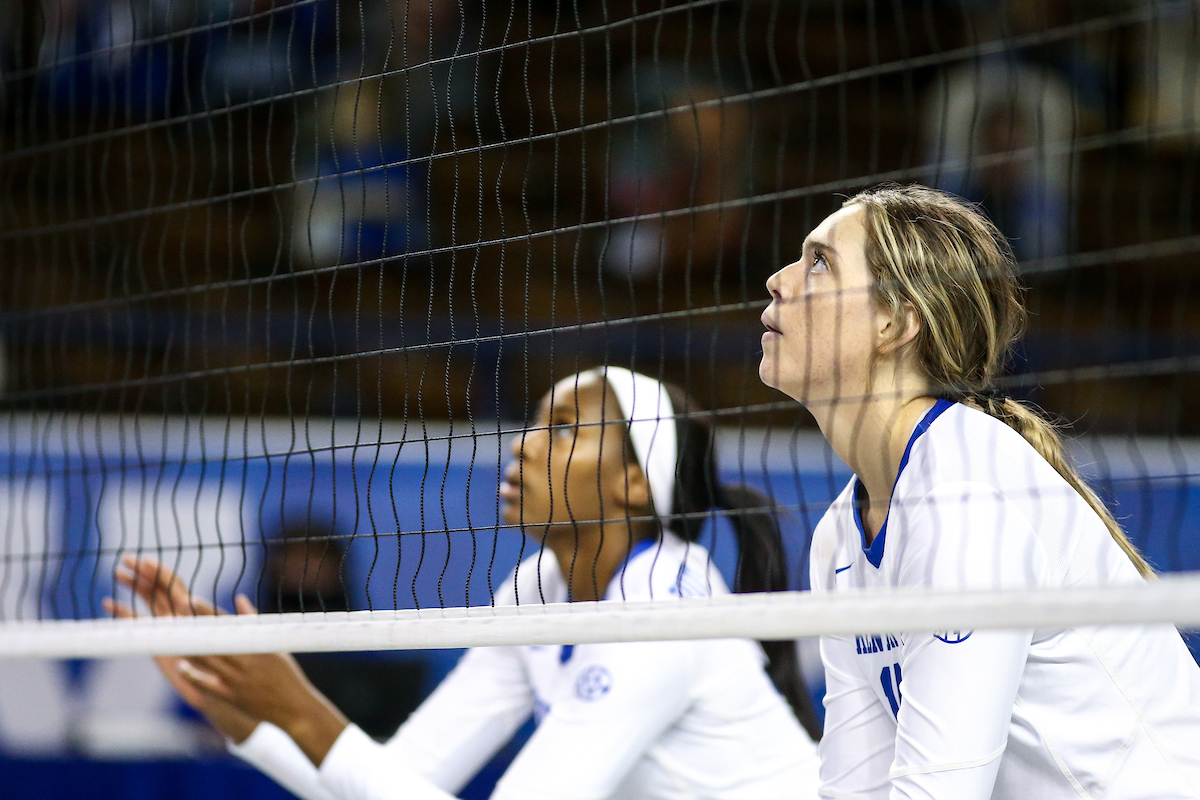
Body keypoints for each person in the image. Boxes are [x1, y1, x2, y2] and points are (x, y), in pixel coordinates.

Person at [107, 366, 822, 800]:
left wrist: (299, 710)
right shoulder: (536, 591)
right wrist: (249, 715)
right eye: (533, 422)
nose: (524, 443)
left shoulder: (663, 615)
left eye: (565, 430)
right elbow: (405, 778)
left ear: (635, 483)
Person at [758, 182, 1200, 799]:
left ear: (894, 322)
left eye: (820, 262)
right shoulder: (840, 533)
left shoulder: (965, 492)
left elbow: (939, 792)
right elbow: (855, 786)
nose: (779, 280)